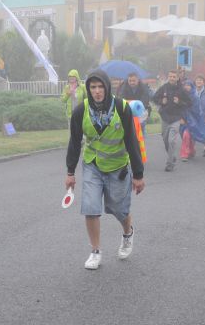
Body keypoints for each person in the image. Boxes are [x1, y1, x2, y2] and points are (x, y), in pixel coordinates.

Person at [65, 70, 145, 270]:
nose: (97, 91)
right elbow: (74, 143)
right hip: (92, 164)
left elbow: (131, 141)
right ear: (88, 89)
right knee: (90, 207)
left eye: (101, 87)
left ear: (107, 88)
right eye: (93, 87)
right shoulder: (80, 111)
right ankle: (95, 251)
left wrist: (138, 174)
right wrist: (70, 172)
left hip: (117, 167)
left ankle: (128, 233)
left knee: (120, 209)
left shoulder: (121, 107)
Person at [152, 70, 191, 171]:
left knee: (171, 141)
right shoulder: (164, 88)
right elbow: (154, 98)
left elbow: (189, 103)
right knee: (165, 140)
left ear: (177, 78)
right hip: (165, 117)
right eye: (170, 76)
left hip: (176, 118)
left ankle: (169, 164)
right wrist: (161, 101)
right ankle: (172, 155)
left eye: (174, 77)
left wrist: (180, 102)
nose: (172, 78)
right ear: (168, 77)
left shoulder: (181, 90)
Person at [179, 80, 205, 161]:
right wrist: (180, 118)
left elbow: (196, 111)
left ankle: (184, 154)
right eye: (185, 85)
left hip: (193, 121)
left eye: (189, 85)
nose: (186, 87)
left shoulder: (195, 98)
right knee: (186, 136)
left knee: (186, 135)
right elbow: (178, 108)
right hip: (183, 120)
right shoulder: (181, 96)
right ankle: (191, 151)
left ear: (192, 87)